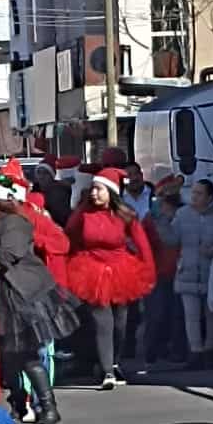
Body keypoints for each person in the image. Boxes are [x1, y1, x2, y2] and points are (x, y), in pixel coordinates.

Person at [0, 174, 77, 424]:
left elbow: (8, 254)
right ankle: (18, 404)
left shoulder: (14, 222)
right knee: (7, 356)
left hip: (22, 294)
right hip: (0, 293)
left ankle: (48, 408)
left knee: (27, 354)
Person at [64, 167, 155, 390]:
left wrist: (148, 270)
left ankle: (115, 362)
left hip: (121, 270)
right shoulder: (83, 215)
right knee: (103, 321)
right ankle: (107, 371)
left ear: (111, 191)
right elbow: (70, 238)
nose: (94, 193)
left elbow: (142, 244)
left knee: (121, 323)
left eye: (99, 189)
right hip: (92, 269)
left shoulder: (126, 214)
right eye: (93, 189)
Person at [163, 178, 213, 369]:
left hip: (212, 271)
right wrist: (164, 221)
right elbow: (172, 239)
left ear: (210, 196)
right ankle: (195, 352)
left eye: (199, 193)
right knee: (191, 315)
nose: (194, 197)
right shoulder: (183, 214)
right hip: (188, 270)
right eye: (193, 193)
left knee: (212, 313)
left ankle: (211, 351)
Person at [136, 176, 184, 375]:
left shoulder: (184, 213)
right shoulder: (151, 219)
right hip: (157, 272)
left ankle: (177, 352)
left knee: (177, 314)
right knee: (156, 314)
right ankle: (152, 353)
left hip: (179, 271)